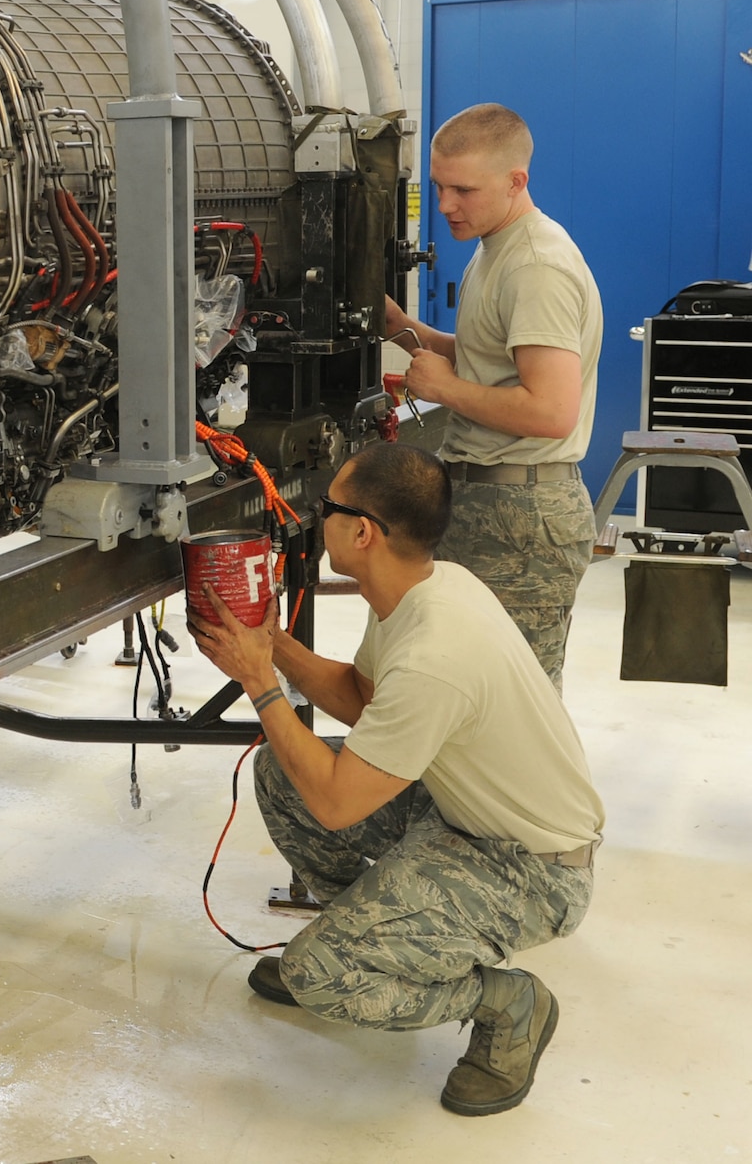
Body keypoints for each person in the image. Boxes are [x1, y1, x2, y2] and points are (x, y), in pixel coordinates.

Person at [190, 443, 603, 1117]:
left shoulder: (435, 649)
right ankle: (369, 936)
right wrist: (275, 646)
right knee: (279, 772)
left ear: (362, 532)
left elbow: (335, 802)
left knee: (316, 974)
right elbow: (361, 695)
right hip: (462, 815)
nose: (316, 515)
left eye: (327, 507)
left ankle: (506, 1002)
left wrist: (259, 681)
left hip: (532, 870)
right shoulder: (425, 589)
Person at [386, 103, 603, 686]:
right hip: (487, 503)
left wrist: (446, 390)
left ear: (516, 182)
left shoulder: (535, 266)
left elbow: (552, 411)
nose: (445, 205)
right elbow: (491, 357)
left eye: (463, 189)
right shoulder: (496, 245)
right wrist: (402, 329)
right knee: (470, 696)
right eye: (438, 186)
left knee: (516, 706)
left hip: (523, 519)